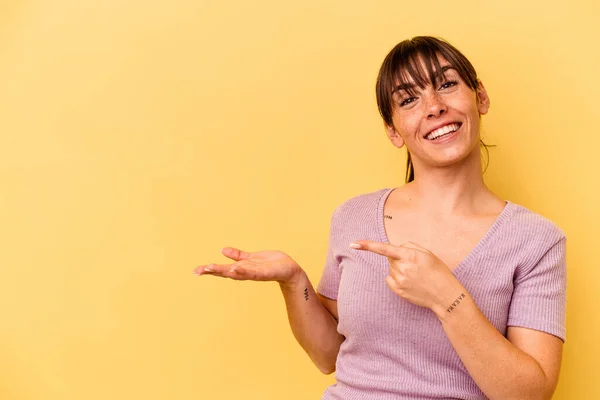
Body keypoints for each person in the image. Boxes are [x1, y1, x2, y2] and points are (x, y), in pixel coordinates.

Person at [193, 36, 566, 400]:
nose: (434, 107)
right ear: (393, 131)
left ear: (480, 97)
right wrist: (294, 281)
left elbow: (529, 394)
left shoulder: (535, 240)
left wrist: (446, 297)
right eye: (408, 100)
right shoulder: (354, 217)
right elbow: (328, 356)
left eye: (447, 84)